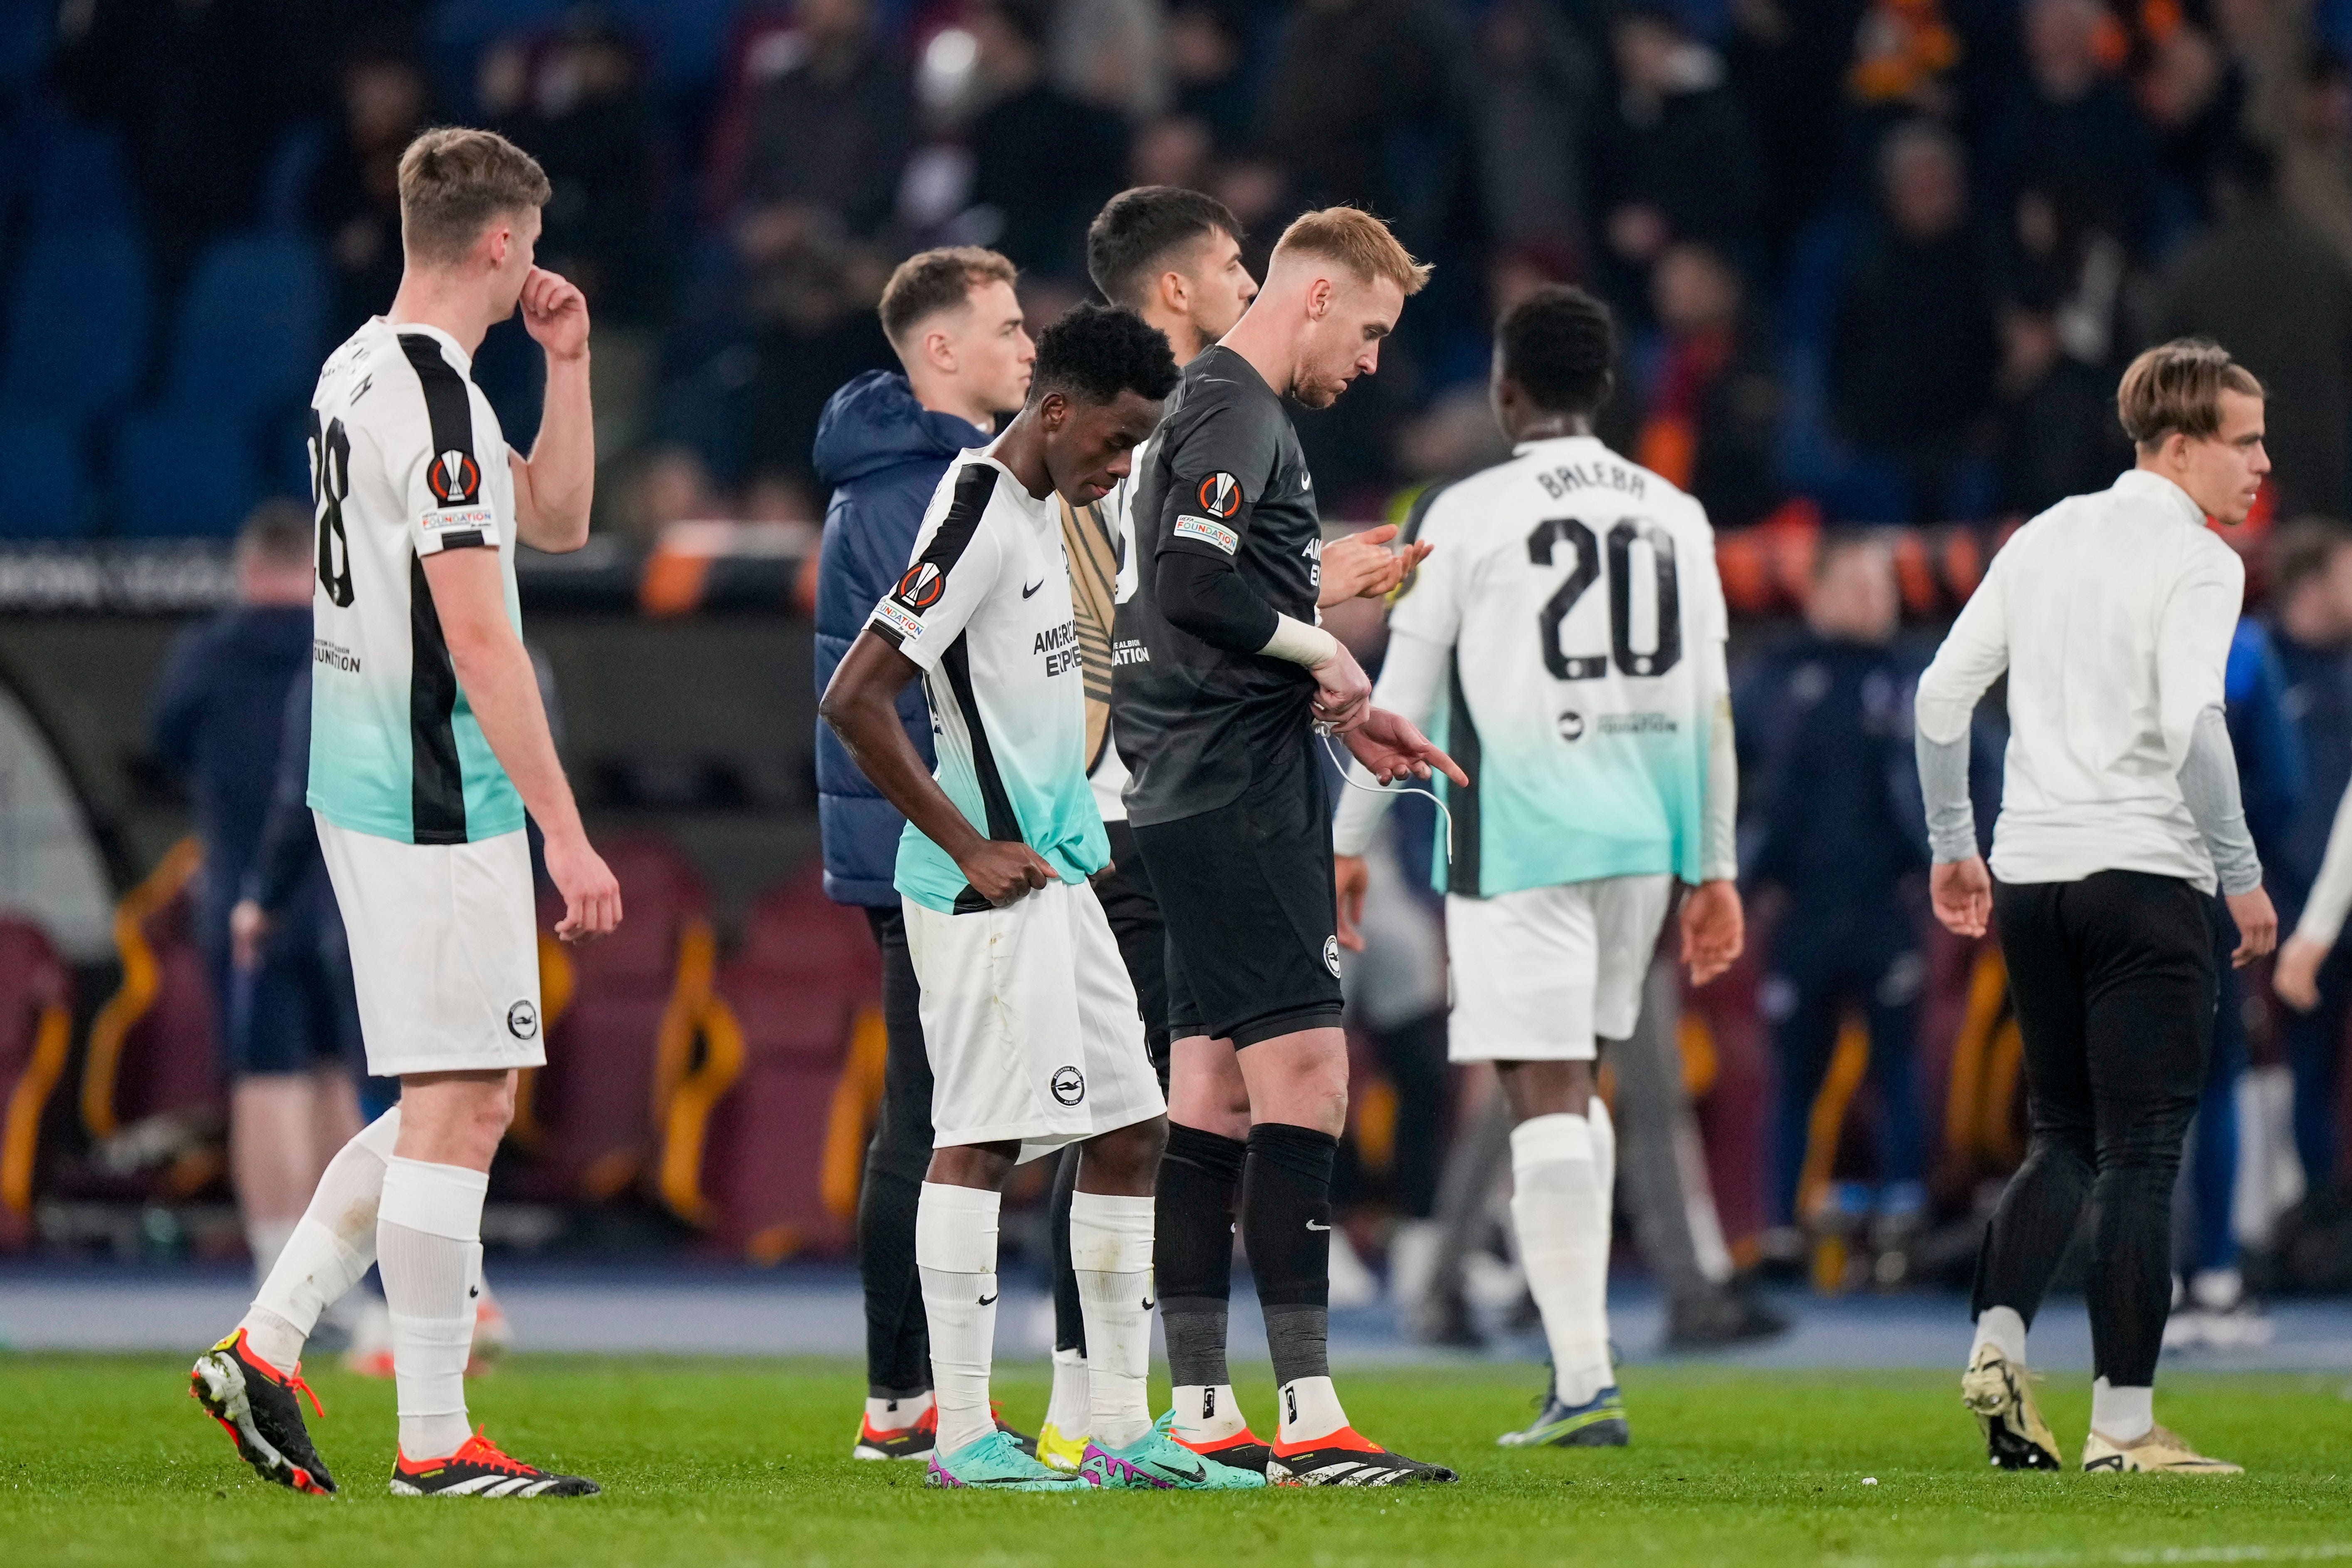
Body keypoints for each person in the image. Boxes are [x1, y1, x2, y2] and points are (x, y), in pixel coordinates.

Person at [189, 126, 621, 1499]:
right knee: (463, 1103)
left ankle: (266, 1345)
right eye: (533, 243)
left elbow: (551, 520)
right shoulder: (431, 402)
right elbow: (484, 639)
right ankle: (434, 1444)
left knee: (460, 1092)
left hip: (369, 776)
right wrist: (565, 829)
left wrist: (568, 364)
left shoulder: (365, 368)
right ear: (503, 240)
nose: (536, 264)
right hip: (434, 785)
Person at [821, 303, 1253, 1492]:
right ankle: (960, 1434)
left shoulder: (1047, 510)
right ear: (1053, 414)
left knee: (1132, 1130)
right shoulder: (972, 512)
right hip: (981, 892)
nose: (1120, 468)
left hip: (1055, 875)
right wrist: (966, 843)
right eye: (1114, 443)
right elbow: (857, 694)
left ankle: (1115, 1425)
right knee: (977, 1140)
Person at [1035, 184, 1422, 1473]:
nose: (1369, 361)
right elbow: (1197, 593)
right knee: (1307, 1078)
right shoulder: (1238, 408)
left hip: (1189, 779)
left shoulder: (1202, 408)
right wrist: (1335, 658)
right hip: (1232, 793)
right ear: (1316, 294)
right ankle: (1314, 1418)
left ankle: (1202, 1412)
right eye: (1365, 329)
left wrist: (1324, 698)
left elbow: (1179, 609)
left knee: (1204, 1091)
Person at [1330, 284, 1743, 1446]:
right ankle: (1581, 1367)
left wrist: (1347, 843)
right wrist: (1713, 868)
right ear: (1604, 390)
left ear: (1508, 391)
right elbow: (1707, 702)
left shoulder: (1464, 509)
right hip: (1647, 835)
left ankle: (1583, 1381)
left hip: (1518, 830)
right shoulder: (1676, 510)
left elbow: (1398, 698)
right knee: (1581, 1083)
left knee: (1545, 1093)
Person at [1917, 338, 2278, 1475]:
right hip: (2146, 880)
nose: (2263, 464)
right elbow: (2190, 726)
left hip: (2032, 878)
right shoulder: (2201, 562)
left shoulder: (2043, 536)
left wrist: (1953, 848)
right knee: (2143, 1154)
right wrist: (2241, 869)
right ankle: (2124, 1425)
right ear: (2179, 447)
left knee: (2061, 1138)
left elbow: (1940, 698)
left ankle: (1997, 1338)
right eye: (2246, 441)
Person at [809, 246, 1037, 1464]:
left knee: (945, 1107)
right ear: (940, 349)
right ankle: (906, 1395)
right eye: (1006, 328)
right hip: (934, 840)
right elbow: (937, 680)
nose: (1027, 346)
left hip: (926, 833)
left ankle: (922, 1389)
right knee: (934, 1114)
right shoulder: (920, 490)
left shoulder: (916, 477)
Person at [152, 502, 363, 1301]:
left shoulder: (207, 653)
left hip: (246, 899)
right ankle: (342, 1274)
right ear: (316, 573)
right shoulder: (345, 647)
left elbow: (164, 741)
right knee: (342, 1078)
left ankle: (280, 1270)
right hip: (342, 896)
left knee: (266, 1081)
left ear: (248, 572)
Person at [1736, 536, 1932, 1251]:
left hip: (1889, 901)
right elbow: (1723, 776)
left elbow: (1981, 766)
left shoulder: (1918, 677)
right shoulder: (1773, 678)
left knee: (1901, 1065)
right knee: (1793, 1070)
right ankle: (1783, 1225)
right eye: (1855, 582)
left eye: (1883, 583)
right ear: (1815, 593)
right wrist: (1738, 874)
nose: (1874, 598)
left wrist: (1952, 857)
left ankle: (1905, 1213)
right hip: (1801, 905)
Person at [2263, 523, 2352, 1193]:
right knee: (2306, 1062)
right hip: (2293, 908)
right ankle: (2317, 1213)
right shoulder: (2256, 666)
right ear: (2313, 584)